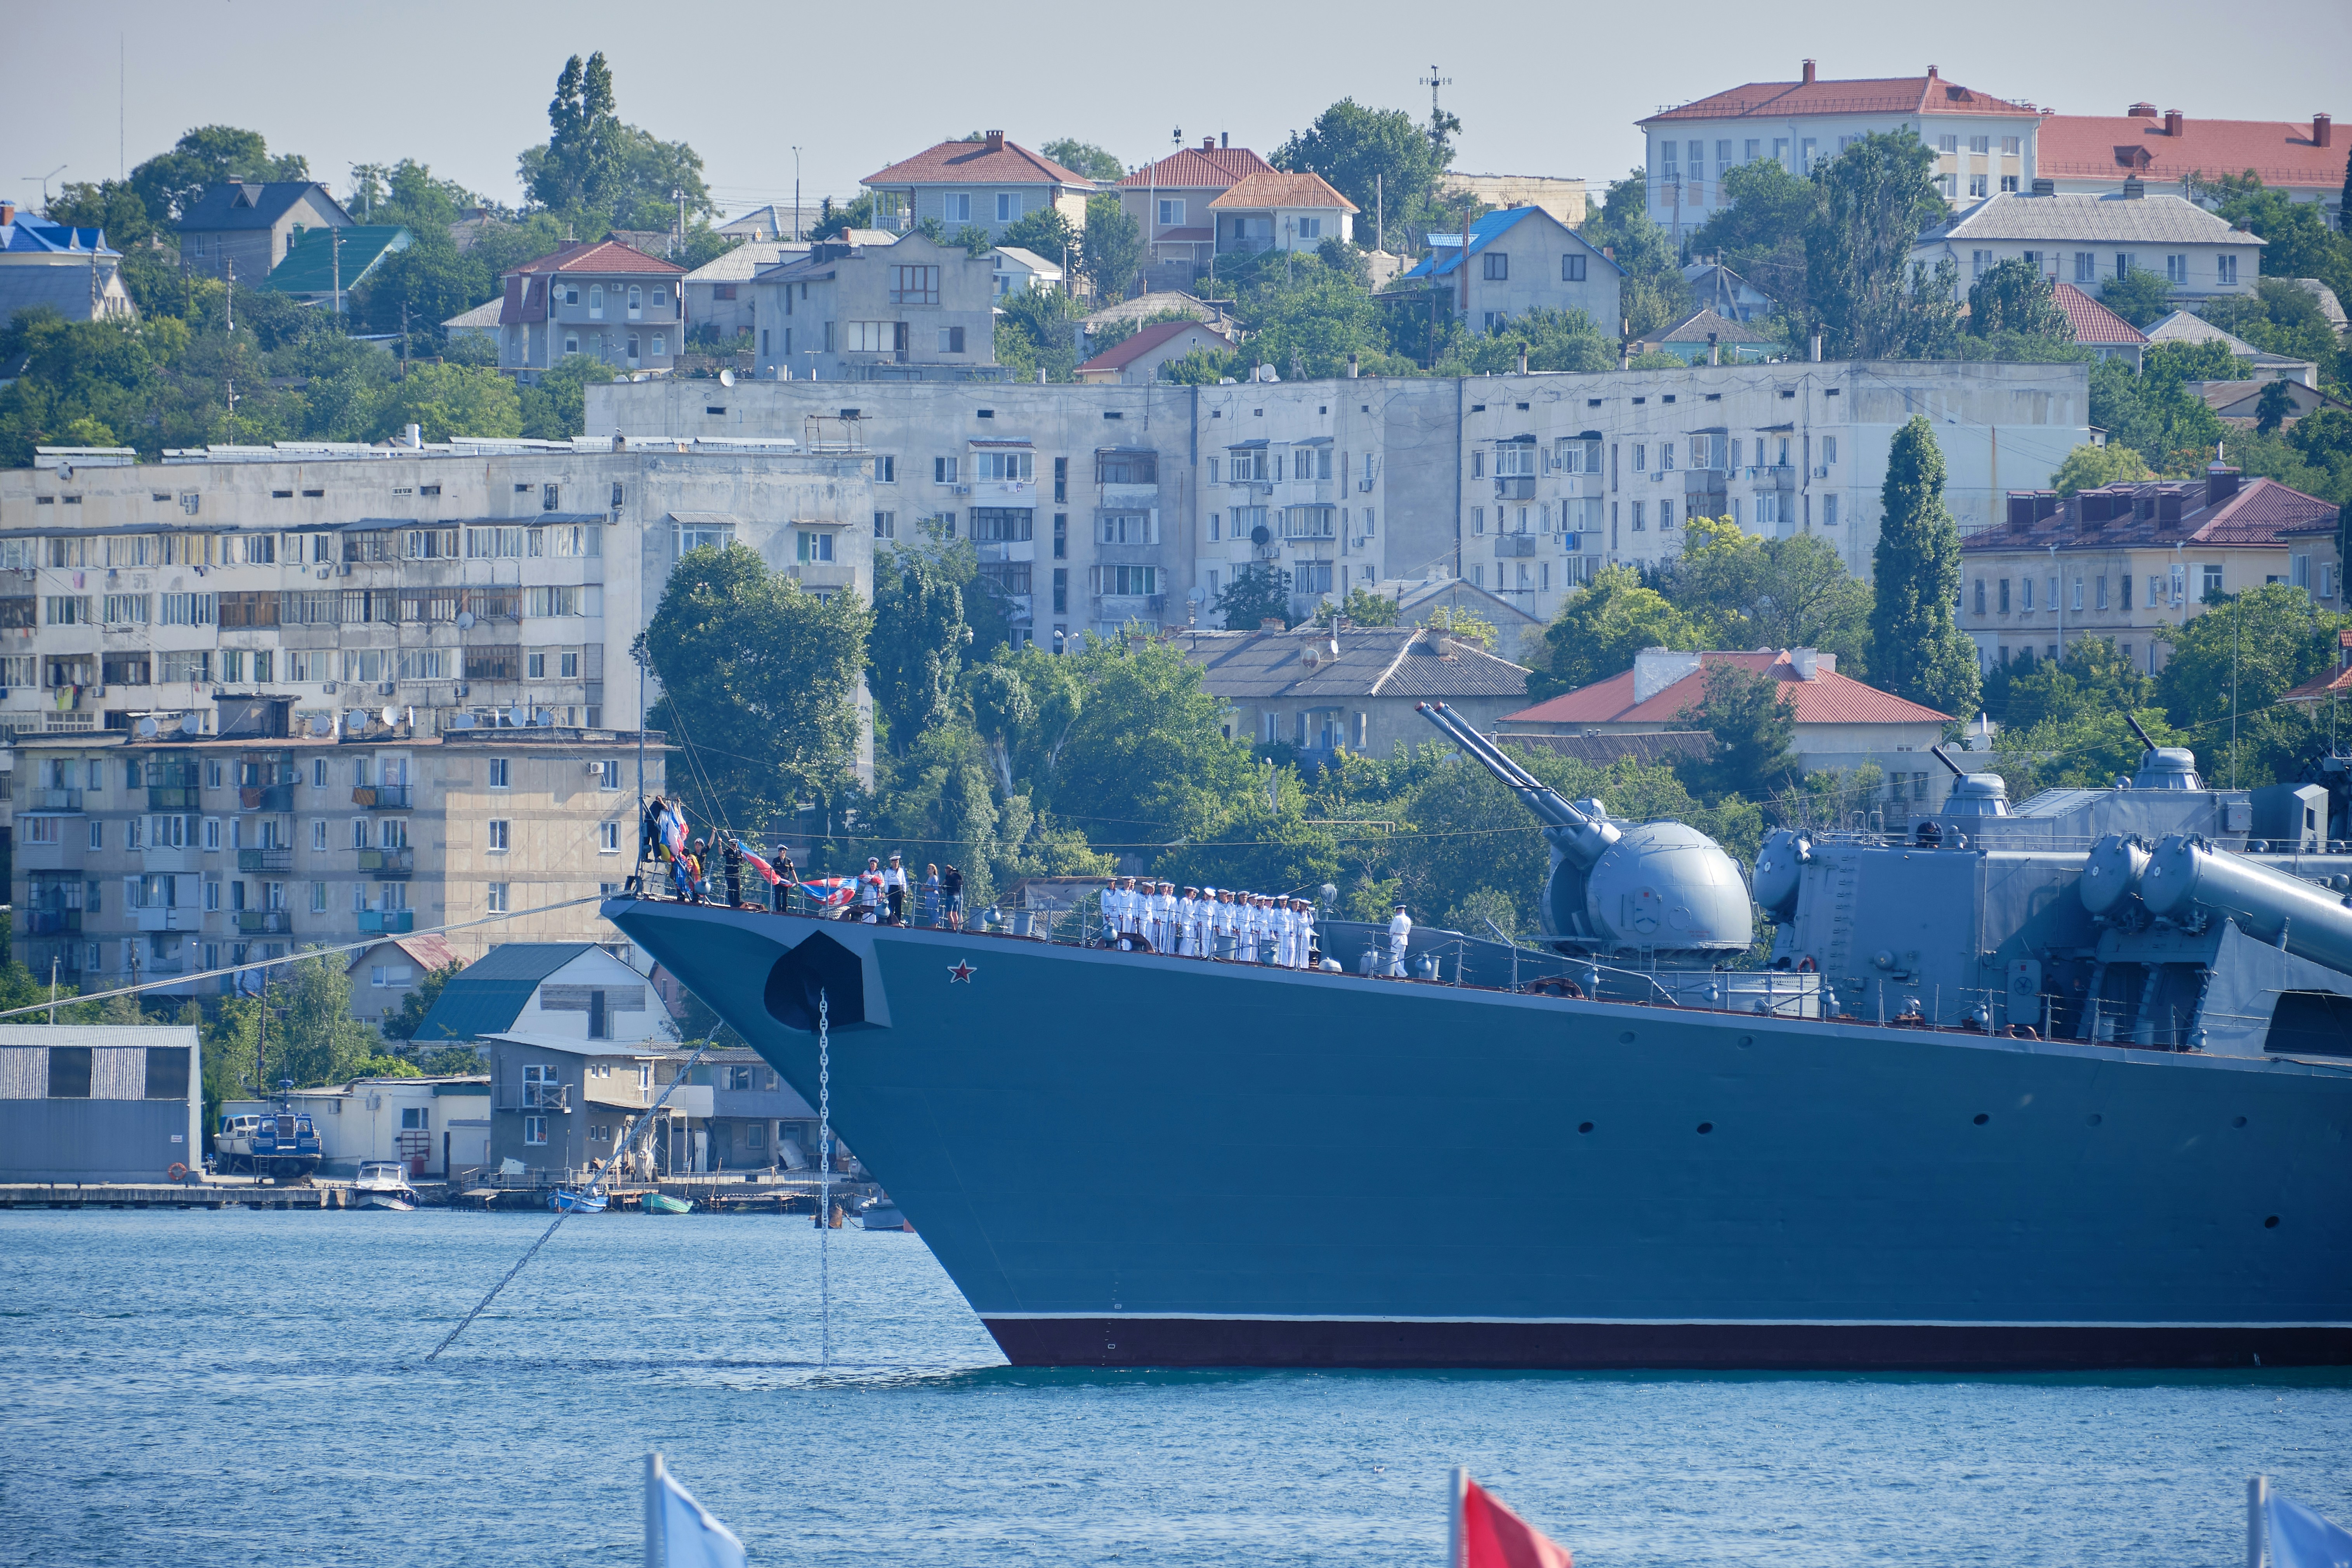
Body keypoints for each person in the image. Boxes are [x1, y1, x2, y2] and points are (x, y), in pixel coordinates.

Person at [882, 852, 910, 926]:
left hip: (899, 889)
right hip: (892, 888)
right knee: (891, 906)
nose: (896, 864)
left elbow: (904, 881)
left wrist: (904, 892)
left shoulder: (901, 871)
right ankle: (890, 920)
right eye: (895, 862)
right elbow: (886, 882)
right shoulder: (888, 871)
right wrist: (887, 892)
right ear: (892, 863)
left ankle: (897, 921)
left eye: (897, 862)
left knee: (899, 906)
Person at [771, 842, 798, 914]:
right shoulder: (775, 861)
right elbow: (772, 871)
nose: (779, 853)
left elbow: (793, 871)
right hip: (778, 882)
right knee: (778, 897)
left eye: (781, 852)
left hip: (786, 882)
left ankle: (785, 912)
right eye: (779, 852)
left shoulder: (789, 861)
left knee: (785, 897)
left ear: (784, 852)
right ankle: (778, 911)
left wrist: (797, 881)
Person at [1388, 903, 1413, 977]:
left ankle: (1403, 974)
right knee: (1401, 959)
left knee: (1393, 958)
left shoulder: (1397, 918)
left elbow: (1392, 930)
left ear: (1398, 911)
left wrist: (1391, 936)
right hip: (1405, 939)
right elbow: (1408, 931)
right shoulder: (1408, 919)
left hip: (1397, 939)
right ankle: (1401, 975)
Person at [856, 857, 884, 923]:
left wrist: (877, 884)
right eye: (871, 864)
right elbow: (862, 882)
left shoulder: (879, 873)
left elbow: (883, 884)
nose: (872, 865)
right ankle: (866, 921)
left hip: (875, 891)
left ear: (876, 865)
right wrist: (868, 882)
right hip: (868, 889)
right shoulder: (866, 872)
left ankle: (873, 922)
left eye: (874, 864)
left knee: (873, 906)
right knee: (866, 905)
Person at [941, 863, 965, 930]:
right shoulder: (960, 878)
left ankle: (953, 929)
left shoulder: (951, 877)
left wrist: (944, 882)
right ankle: (958, 929)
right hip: (959, 897)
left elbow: (945, 887)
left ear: (950, 871)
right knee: (956, 914)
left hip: (951, 896)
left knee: (949, 914)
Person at [722, 837, 745, 908]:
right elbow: (721, 853)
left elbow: (742, 862)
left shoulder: (739, 853)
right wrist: (720, 844)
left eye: (735, 845)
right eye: (733, 845)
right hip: (729, 873)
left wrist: (745, 858)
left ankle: (737, 905)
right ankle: (732, 905)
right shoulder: (728, 851)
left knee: (737, 890)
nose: (734, 847)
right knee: (731, 890)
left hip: (737, 873)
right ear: (731, 845)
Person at [922, 863, 941, 927]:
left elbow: (935, 888)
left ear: (933, 870)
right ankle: (932, 927)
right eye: (928, 869)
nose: (928, 870)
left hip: (933, 898)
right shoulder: (929, 878)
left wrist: (925, 889)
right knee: (929, 913)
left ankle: (934, 928)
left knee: (934, 914)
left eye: (929, 869)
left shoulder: (935, 878)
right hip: (928, 898)